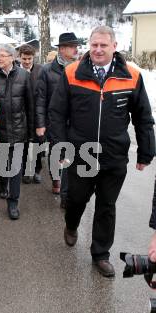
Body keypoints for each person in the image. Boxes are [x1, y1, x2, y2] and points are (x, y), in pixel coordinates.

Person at [50, 26, 155, 277]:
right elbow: (57, 113)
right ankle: (72, 225)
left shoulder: (131, 76)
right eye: (94, 45)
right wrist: (61, 146)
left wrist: (145, 152)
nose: (97, 50)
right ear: (89, 45)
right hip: (81, 154)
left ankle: (100, 254)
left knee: (106, 206)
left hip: (114, 156)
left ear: (114, 46)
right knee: (76, 200)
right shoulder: (72, 72)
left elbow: (143, 117)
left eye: (103, 45)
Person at [0, 44, 34, 220]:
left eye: (2, 55)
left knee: (15, 167)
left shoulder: (24, 76)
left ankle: (13, 202)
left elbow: (30, 104)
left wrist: (32, 130)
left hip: (19, 130)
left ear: (12, 58)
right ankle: (1, 184)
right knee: (1, 163)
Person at [36, 32, 79, 202]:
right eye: (72, 46)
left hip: (76, 120)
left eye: (76, 46)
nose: (76, 49)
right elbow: (40, 99)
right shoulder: (46, 70)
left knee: (73, 152)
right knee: (56, 150)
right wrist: (40, 123)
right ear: (61, 49)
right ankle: (56, 179)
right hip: (54, 119)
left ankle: (68, 184)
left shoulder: (80, 69)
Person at [17, 44, 43, 185]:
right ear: (19, 57)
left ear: (34, 57)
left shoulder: (40, 70)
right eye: (24, 58)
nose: (27, 61)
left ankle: (37, 170)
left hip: (38, 113)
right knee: (24, 145)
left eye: (29, 58)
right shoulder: (15, 71)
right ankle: (26, 171)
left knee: (39, 143)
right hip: (21, 114)